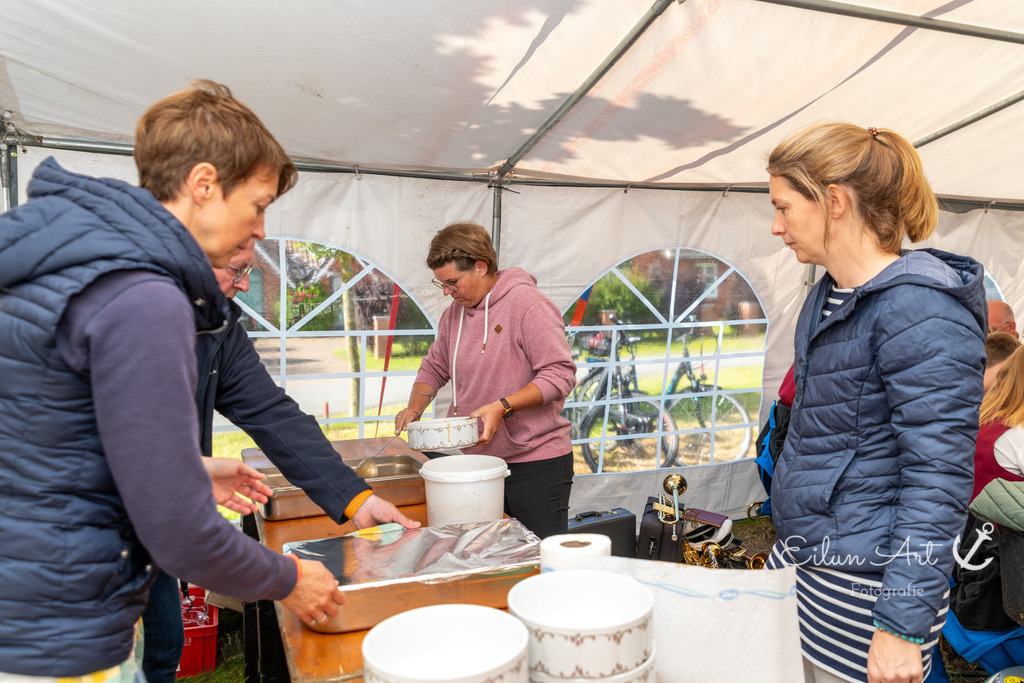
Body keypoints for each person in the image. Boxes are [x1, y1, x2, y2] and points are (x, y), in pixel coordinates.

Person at [0, 80, 344, 679]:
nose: (262, 229)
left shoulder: (75, 258)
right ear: (204, 184)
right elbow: (180, 533)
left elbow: (48, 433)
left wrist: (187, 467)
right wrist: (289, 578)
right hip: (59, 618)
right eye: (259, 204)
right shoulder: (145, 295)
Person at [764, 123, 986, 683]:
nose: (777, 227)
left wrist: (902, 626)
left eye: (785, 208)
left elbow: (937, 481)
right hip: (814, 565)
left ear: (834, 201)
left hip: (871, 592)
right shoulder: (828, 293)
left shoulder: (922, 310)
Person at [140, 242, 420, 683]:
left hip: (152, 540)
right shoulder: (121, 320)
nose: (247, 284)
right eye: (237, 269)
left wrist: (356, 499)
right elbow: (121, 462)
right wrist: (281, 578)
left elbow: (271, 413)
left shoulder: (220, 327)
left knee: (158, 653)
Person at [394, 222, 576, 539]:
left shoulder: (529, 305)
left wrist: (503, 407)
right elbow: (435, 366)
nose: (448, 292)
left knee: (537, 559)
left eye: (453, 282)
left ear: (481, 266)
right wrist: (414, 408)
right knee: (486, 557)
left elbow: (559, 374)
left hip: (536, 463)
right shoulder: (454, 315)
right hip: (479, 461)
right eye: (442, 285)